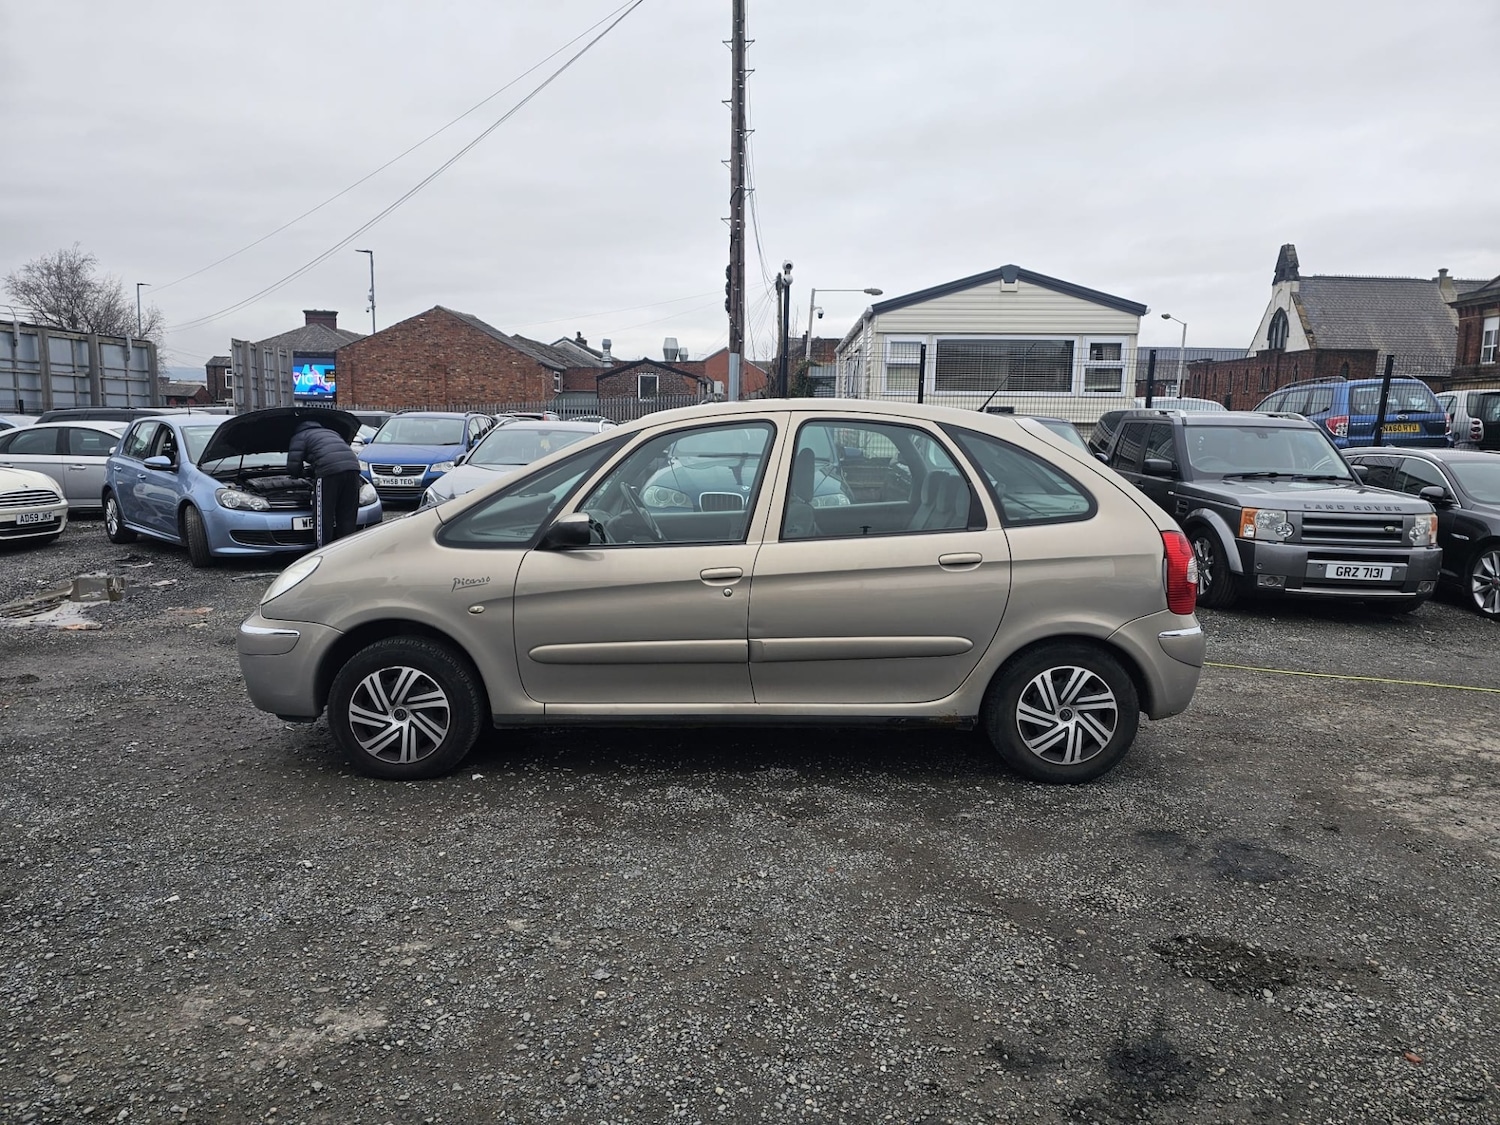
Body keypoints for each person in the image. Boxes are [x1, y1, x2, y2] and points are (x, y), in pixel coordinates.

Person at [288, 415, 364, 547]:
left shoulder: (300, 436)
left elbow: (293, 467)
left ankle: (323, 551)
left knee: (323, 515)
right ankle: (346, 550)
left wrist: (303, 474)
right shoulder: (331, 432)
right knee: (347, 515)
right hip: (353, 469)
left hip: (329, 472)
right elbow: (332, 453)